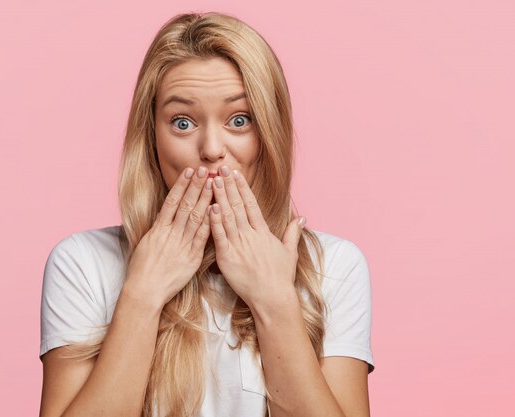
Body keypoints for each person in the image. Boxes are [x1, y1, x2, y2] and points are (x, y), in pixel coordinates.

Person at [39, 11, 374, 417]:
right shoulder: (82, 263)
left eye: (239, 120)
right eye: (182, 122)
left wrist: (275, 303)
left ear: (270, 131)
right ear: (152, 138)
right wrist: (142, 295)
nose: (212, 148)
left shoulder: (334, 267)